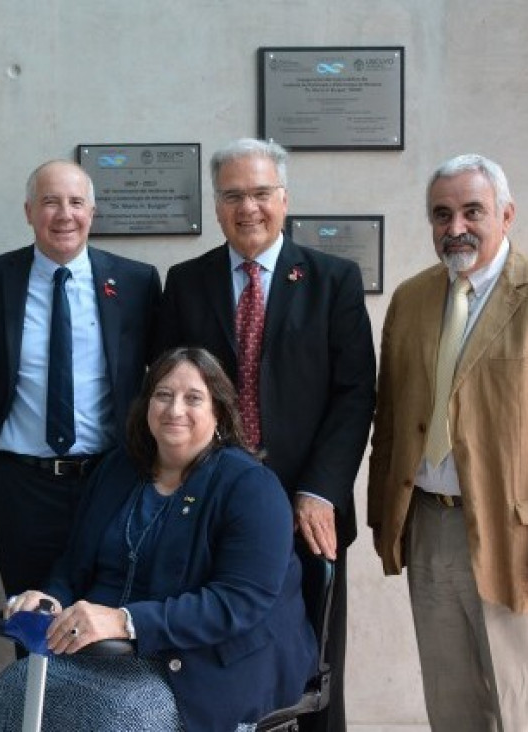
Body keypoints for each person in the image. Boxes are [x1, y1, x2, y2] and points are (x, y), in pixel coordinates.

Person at [367, 154, 528, 729]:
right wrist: (388, 522)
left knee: (522, 706)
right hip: (427, 528)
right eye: (441, 214)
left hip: (518, 541)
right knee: (450, 704)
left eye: (472, 211)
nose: (456, 227)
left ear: (506, 214)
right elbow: (393, 421)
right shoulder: (410, 300)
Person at [156, 138, 375, 730]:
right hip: (210, 510)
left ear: (284, 198)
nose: (247, 207)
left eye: (259, 193)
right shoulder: (186, 282)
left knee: (315, 677)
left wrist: (321, 489)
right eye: (232, 195)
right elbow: (168, 398)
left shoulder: (333, 280)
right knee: (211, 674)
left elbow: (356, 395)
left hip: (310, 511)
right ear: (216, 202)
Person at [0, 347, 316, 732]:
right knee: (14, 687)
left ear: (219, 413)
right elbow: (73, 564)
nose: (175, 410)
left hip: (208, 662)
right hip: (105, 654)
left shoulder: (251, 487)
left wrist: (125, 622)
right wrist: (51, 597)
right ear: (146, 405)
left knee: (117, 715)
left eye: (193, 398)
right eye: (163, 395)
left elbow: (238, 603)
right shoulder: (118, 469)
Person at [0, 160, 161, 601]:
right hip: (22, 487)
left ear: (92, 212)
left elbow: (163, 380)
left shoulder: (135, 282)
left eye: (75, 202)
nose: (64, 214)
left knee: (107, 617)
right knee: (31, 614)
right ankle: (33, 677)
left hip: (110, 478)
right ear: (28, 211)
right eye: (50, 202)